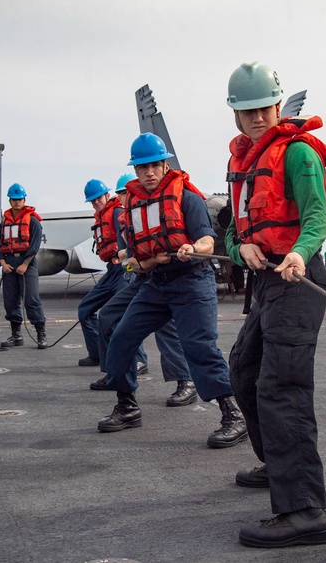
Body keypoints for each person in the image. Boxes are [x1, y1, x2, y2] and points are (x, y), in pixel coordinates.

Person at [224, 62, 326, 548]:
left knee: (282, 387)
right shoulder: (246, 163)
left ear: (278, 104)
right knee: (244, 372)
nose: (257, 117)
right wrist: (239, 250)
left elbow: (317, 217)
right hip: (267, 279)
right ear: (235, 115)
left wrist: (298, 251)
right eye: (246, 110)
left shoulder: (296, 155)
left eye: (264, 107)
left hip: (298, 276)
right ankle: (279, 464)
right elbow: (234, 229)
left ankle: (304, 510)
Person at [98, 133, 245, 449]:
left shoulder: (187, 199)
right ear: (136, 172)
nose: (149, 173)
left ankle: (233, 415)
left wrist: (194, 246)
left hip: (192, 281)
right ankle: (127, 406)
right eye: (142, 168)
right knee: (121, 337)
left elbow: (207, 240)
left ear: (165, 165)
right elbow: (133, 263)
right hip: (155, 284)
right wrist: (151, 260)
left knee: (199, 347)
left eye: (154, 165)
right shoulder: (134, 209)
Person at [92, 173, 198, 408]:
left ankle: (185, 382)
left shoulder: (157, 210)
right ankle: (117, 374)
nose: (123, 198)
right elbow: (124, 256)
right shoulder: (128, 218)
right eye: (121, 194)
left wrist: (143, 260)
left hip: (164, 279)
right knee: (108, 315)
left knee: (166, 329)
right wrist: (141, 261)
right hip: (141, 277)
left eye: (125, 193)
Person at [75, 178, 129, 367]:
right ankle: (97, 354)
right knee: (85, 310)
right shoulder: (100, 217)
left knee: (120, 316)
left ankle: (138, 361)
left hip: (123, 271)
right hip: (111, 271)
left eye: (99, 198)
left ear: (107, 195)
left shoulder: (117, 213)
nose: (96, 202)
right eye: (93, 200)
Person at [0, 183, 47, 348]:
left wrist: (25, 264)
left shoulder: (33, 221)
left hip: (27, 264)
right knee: (10, 301)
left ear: (24, 200)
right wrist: (3, 263)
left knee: (31, 300)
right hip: (9, 265)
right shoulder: (4, 223)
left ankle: (41, 334)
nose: (17, 202)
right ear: (10, 201)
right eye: (14, 200)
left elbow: (34, 245)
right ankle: (16, 335)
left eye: (20, 199)